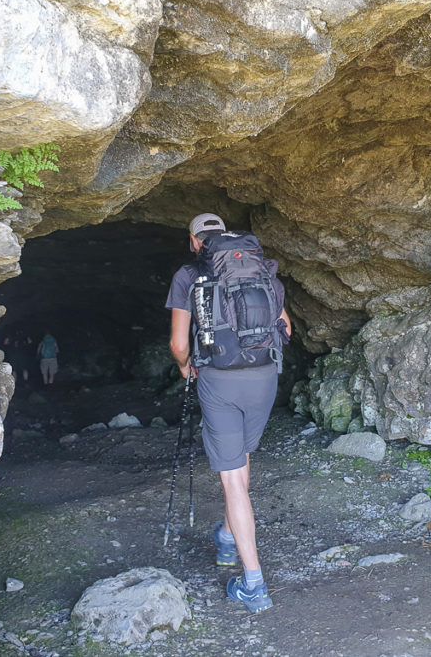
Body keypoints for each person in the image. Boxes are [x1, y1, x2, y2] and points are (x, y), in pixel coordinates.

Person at [166, 213, 291, 614]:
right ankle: (226, 534)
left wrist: (188, 370)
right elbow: (284, 328)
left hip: (219, 381)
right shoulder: (262, 272)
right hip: (265, 377)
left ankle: (253, 583)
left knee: (233, 481)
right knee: (241, 463)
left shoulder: (188, 276)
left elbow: (179, 344)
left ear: (194, 241)